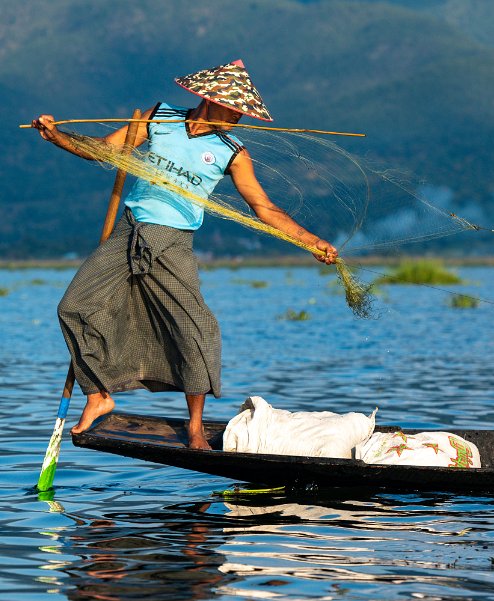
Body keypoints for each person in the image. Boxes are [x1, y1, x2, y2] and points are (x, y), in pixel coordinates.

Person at [32, 59, 338, 450]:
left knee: (194, 329)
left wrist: (311, 241)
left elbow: (264, 207)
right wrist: (57, 136)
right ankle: (98, 395)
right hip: (129, 230)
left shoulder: (232, 152)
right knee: (73, 307)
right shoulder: (157, 118)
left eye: (243, 110)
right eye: (233, 107)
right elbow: (102, 151)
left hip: (174, 241)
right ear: (209, 100)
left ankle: (195, 427)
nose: (239, 116)